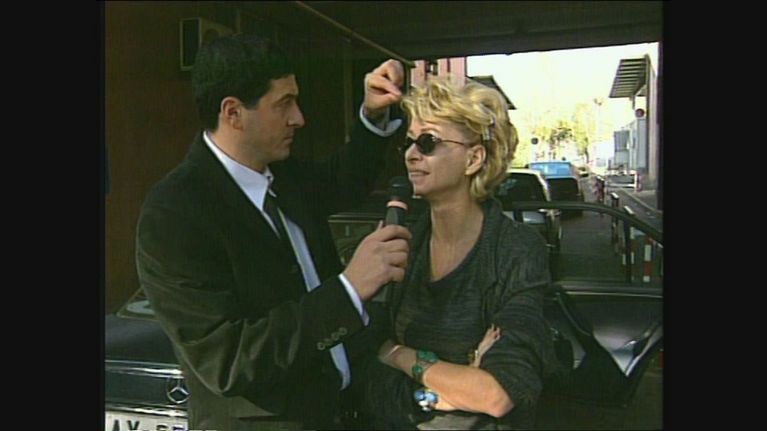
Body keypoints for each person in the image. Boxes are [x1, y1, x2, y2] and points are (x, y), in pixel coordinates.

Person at [135, 34, 411, 430]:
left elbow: (343, 180)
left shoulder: (283, 174)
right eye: (284, 104)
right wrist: (349, 290)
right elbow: (229, 362)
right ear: (233, 112)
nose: (299, 118)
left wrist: (373, 114)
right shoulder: (175, 214)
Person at [357, 76, 559, 429]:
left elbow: (497, 394)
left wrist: (397, 353)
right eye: (409, 142)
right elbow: (363, 361)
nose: (411, 154)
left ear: (473, 158)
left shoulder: (515, 249)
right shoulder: (400, 242)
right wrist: (440, 391)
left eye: (428, 142)